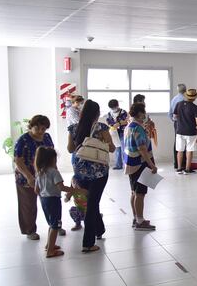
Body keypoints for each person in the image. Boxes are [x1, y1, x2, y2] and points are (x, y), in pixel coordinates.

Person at [67, 99, 115, 253]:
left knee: (92, 201)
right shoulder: (101, 128)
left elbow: (70, 149)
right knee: (93, 204)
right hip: (98, 171)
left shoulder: (73, 128)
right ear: (97, 114)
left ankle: (99, 230)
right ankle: (88, 243)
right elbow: (112, 148)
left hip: (80, 171)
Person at [13, 115, 54, 240]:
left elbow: (52, 155)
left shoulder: (46, 137)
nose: (41, 131)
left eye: (44, 129)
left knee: (50, 201)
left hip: (44, 175)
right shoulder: (23, 140)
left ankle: (54, 226)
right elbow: (18, 161)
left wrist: (54, 172)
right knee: (28, 204)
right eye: (38, 128)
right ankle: (29, 230)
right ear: (31, 126)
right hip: (26, 176)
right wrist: (29, 177)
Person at [34, 147, 74, 258]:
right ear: (52, 160)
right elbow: (61, 187)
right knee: (55, 226)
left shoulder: (40, 172)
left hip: (44, 200)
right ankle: (50, 251)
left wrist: (44, 194)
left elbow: (36, 190)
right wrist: (77, 190)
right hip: (53, 201)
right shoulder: (54, 172)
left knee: (51, 224)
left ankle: (49, 245)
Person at [124, 103, 158, 231]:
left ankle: (136, 217)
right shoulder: (137, 128)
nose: (145, 114)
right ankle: (140, 221)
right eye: (143, 112)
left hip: (131, 163)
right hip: (140, 164)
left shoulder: (130, 126)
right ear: (139, 114)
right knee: (140, 193)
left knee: (134, 191)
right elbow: (142, 149)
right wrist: (152, 165)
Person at [174, 89, 197, 175]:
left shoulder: (178, 104)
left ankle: (179, 169)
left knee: (180, 150)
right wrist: (194, 126)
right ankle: (187, 169)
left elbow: (175, 116)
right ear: (194, 98)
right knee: (189, 150)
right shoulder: (195, 107)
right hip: (190, 131)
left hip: (179, 130)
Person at [106, 99, 128, 170]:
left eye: (114, 107)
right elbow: (108, 122)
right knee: (117, 149)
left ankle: (127, 165)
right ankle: (118, 165)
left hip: (122, 132)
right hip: (114, 133)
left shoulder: (123, 112)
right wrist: (111, 126)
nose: (113, 109)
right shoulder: (109, 113)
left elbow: (127, 121)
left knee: (124, 149)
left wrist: (119, 123)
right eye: (112, 108)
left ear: (117, 105)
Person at [169, 83, 187, 166]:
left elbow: (170, 113)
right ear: (185, 90)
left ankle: (176, 163)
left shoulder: (174, 99)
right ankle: (183, 163)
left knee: (177, 141)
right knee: (184, 141)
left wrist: (174, 120)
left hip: (176, 123)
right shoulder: (185, 99)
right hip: (184, 123)